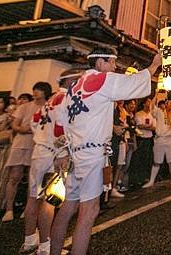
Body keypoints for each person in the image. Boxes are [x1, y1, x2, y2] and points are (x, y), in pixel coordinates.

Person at [49, 47, 160, 255]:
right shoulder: (100, 80)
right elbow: (133, 83)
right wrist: (154, 65)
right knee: (89, 211)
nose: (114, 67)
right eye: (111, 63)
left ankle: (53, 251)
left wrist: (61, 152)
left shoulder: (74, 87)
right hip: (91, 154)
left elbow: (61, 121)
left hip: (74, 153)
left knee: (67, 208)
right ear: (99, 62)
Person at [19, 70, 83, 255]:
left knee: (34, 197)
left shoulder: (49, 101)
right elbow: (60, 129)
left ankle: (30, 239)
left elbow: (34, 122)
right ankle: (45, 247)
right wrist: (62, 152)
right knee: (50, 200)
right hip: (53, 154)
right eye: (79, 81)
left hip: (39, 150)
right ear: (71, 81)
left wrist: (42, 138)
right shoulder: (66, 99)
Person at [3, 82, 53, 224]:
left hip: (37, 145)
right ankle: (9, 209)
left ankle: (28, 208)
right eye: (35, 89)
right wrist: (22, 129)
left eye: (40, 90)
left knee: (34, 179)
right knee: (15, 176)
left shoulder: (49, 106)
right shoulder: (24, 107)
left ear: (46, 92)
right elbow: (15, 125)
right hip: (21, 143)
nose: (36, 92)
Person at [143, 99, 171, 190]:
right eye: (169, 103)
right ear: (166, 104)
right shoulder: (159, 112)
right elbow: (152, 106)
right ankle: (151, 181)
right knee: (156, 161)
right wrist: (156, 94)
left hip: (170, 140)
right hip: (159, 140)